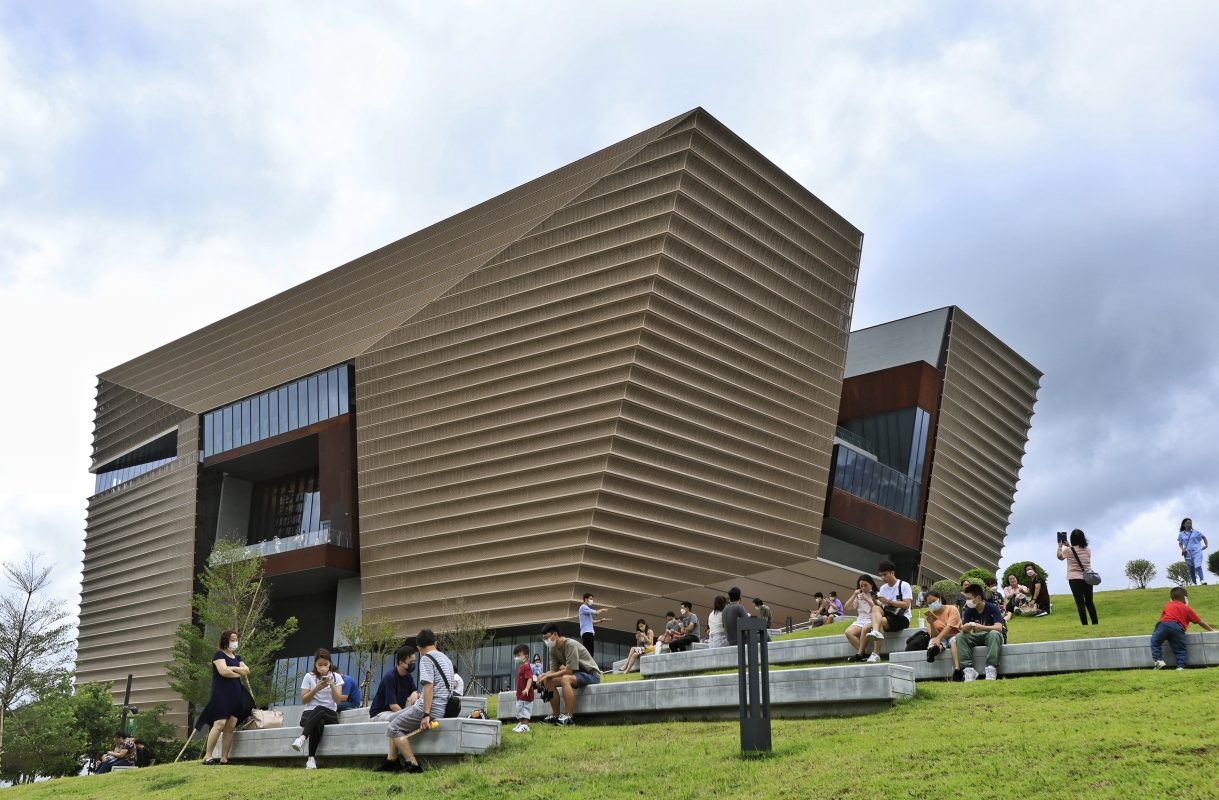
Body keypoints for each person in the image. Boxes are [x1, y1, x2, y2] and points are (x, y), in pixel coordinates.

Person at [377, 629, 454, 774]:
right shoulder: (446, 659)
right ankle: (392, 760)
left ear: (418, 648)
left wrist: (426, 714)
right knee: (392, 718)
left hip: (430, 708)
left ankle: (412, 764)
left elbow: (428, 686)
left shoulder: (426, 659)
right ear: (436, 643)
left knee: (392, 728)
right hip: (442, 706)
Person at [195, 629, 253, 765]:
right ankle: (208, 756)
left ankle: (224, 758)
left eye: (236, 639)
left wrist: (231, 669)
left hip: (236, 694)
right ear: (226, 640)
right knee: (219, 723)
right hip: (221, 694)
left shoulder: (238, 658)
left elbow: (246, 670)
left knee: (230, 726)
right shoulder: (219, 655)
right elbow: (223, 671)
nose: (235, 642)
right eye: (232, 639)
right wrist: (237, 672)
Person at [536, 622, 601, 726]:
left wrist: (547, 675)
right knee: (550, 681)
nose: (546, 641)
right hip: (577, 675)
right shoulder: (552, 649)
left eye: (547, 637)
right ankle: (556, 715)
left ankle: (570, 718)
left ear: (555, 634)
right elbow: (553, 670)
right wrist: (543, 676)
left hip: (591, 675)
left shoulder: (570, 645)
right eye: (544, 638)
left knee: (565, 678)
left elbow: (569, 671)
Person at [290, 648, 344, 769]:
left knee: (320, 709)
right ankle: (311, 760)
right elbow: (304, 700)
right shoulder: (309, 677)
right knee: (319, 722)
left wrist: (332, 686)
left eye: (325, 664)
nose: (323, 668)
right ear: (315, 664)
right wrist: (316, 689)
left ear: (330, 663)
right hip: (310, 713)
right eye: (320, 665)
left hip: (329, 714)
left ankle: (302, 738)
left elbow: (338, 700)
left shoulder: (336, 677)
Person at [1151, 587, 1216, 670]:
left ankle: (1158, 660)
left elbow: (1162, 619)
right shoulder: (1187, 609)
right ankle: (1180, 666)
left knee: (1155, 642)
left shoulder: (1167, 605)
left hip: (1164, 625)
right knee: (1180, 649)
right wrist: (1211, 630)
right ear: (1185, 598)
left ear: (1171, 599)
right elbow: (1199, 621)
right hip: (1178, 628)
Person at [950, 584, 1005, 681]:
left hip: (993, 636)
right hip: (977, 636)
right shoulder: (968, 611)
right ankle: (968, 670)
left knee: (994, 633)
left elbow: (999, 628)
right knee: (960, 636)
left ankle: (991, 667)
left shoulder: (993, 608)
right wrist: (965, 628)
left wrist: (982, 627)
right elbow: (965, 630)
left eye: (969, 598)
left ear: (978, 598)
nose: (967, 601)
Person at [1057, 528, 1099, 625]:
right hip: (1088, 578)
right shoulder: (1088, 550)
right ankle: (1095, 622)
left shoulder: (1068, 550)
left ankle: (1085, 624)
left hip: (1074, 579)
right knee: (1090, 602)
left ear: (1072, 539)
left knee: (1080, 603)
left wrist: (1060, 546)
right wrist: (1069, 546)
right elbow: (1076, 552)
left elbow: (1060, 557)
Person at [369, 647, 419, 721]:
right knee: (400, 719)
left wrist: (415, 693)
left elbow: (416, 692)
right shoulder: (390, 678)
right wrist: (406, 716)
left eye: (414, 661)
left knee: (417, 704)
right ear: (401, 663)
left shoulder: (408, 676)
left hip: (395, 711)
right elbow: (393, 705)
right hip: (380, 713)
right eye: (411, 662)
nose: (413, 664)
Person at [844, 574, 880, 662]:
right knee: (848, 632)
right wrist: (854, 595)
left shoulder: (877, 595)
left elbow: (877, 609)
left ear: (871, 584)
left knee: (865, 628)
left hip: (872, 619)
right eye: (861, 586)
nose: (864, 588)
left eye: (866, 585)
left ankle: (859, 654)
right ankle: (865, 654)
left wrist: (868, 600)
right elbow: (847, 607)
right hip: (861, 619)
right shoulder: (859, 595)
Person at [922, 589, 962, 663]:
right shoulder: (930, 616)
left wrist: (938, 638)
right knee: (933, 643)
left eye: (934, 601)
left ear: (939, 599)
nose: (932, 604)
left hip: (954, 634)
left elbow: (950, 626)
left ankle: (957, 666)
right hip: (940, 637)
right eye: (929, 603)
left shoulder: (952, 609)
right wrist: (931, 624)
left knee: (953, 642)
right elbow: (934, 634)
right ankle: (934, 651)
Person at [1178, 518, 1209, 585]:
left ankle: (1202, 580)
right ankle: (1194, 583)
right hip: (1187, 553)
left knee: (1198, 566)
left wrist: (1206, 545)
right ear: (1184, 524)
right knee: (1191, 569)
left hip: (1197, 551)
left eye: (1190, 523)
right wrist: (1182, 549)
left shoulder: (1196, 532)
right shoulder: (1181, 534)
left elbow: (1204, 537)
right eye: (1188, 523)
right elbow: (1180, 543)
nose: (1189, 524)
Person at [512, 643, 535, 732]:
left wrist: (527, 688)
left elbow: (529, 678)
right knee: (520, 709)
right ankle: (521, 723)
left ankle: (525, 725)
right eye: (515, 656)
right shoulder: (521, 668)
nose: (516, 658)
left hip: (526, 694)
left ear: (526, 656)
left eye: (518, 655)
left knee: (525, 709)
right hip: (520, 695)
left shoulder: (526, 667)